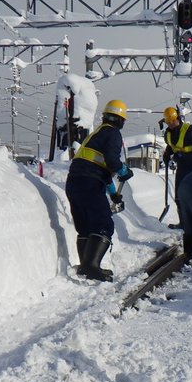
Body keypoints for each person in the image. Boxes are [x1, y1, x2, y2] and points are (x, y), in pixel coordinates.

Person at [65, 99, 133, 281]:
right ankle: (92, 267)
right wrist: (124, 171)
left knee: (85, 226)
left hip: (74, 183)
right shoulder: (113, 134)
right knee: (103, 225)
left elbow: (100, 167)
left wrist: (113, 194)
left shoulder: (95, 135)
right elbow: (111, 161)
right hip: (90, 183)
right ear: (121, 120)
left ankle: (86, 266)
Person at [160, 106, 192, 227]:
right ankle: (184, 222)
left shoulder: (190, 131)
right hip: (182, 168)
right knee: (179, 196)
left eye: (172, 121)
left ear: (177, 118)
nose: (170, 124)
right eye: (168, 123)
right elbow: (171, 146)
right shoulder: (168, 134)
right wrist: (167, 154)